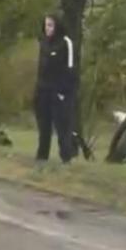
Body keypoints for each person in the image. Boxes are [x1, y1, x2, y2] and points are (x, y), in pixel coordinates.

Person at [34, 13, 77, 164]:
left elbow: (70, 70)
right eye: (46, 25)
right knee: (43, 125)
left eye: (50, 25)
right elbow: (41, 67)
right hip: (43, 90)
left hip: (60, 91)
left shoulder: (66, 43)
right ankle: (41, 157)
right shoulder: (43, 42)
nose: (48, 28)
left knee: (62, 127)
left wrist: (63, 91)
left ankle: (66, 158)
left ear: (57, 26)